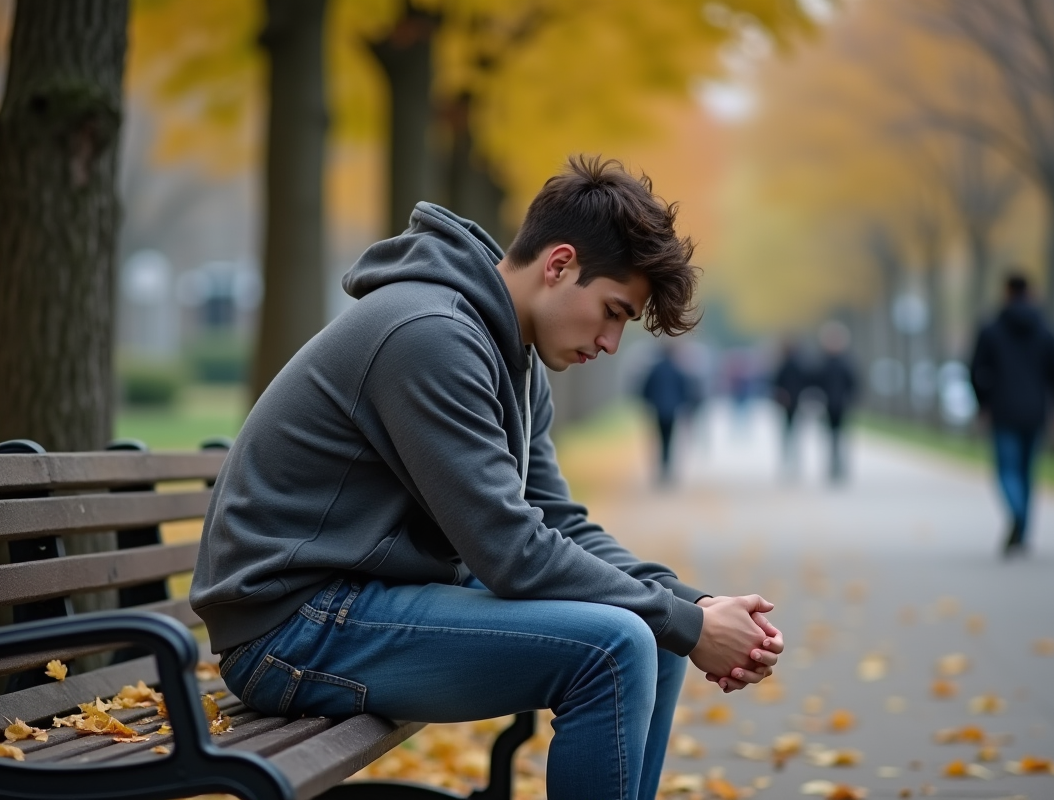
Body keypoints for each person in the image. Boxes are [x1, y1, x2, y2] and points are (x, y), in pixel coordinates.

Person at [191, 156, 784, 800]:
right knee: (616, 647)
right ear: (559, 265)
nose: (612, 341)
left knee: (655, 637)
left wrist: (690, 606)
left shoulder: (516, 359)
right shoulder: (430, 335)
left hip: (357, 602)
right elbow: (511, 553)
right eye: (612, 311)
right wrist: (688, 623)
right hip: (290, 629)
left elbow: (557, 523)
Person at [969, 272, 1054, 558]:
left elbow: (976, 371)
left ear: (1006, 292)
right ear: (1030, 292)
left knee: (1006, 471)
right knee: (1026, 473)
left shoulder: (990, 330)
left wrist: (983, 402)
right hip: (1036, 410)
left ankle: (1016, 514)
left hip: (1002, 410)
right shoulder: (1045, 331)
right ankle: (1023, 531)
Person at [639, 342, 699, 484]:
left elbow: (645, 388)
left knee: (660, 439)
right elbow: (684, 389)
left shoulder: (654, 369)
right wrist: (685, 405)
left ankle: (662, 467)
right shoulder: (677, 369)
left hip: (658, 409)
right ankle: (667, 468)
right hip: (672, 410)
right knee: (669, 440)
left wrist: (648, 402)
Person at [813, 321, 856, 482]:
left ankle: (840, 465)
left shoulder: (846, 361)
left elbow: (853, 383)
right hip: (827, 404)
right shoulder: (822, 361)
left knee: (841, 436)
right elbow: (815, 381)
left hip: (842, 405)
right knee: (829, 436)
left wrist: (850, 398)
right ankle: (832, 465)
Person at [770, 337, 807, 477]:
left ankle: (789, 459)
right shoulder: (796, 364)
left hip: (790, 401)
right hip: (793, 401)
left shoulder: (786, 364)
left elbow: (776, 382)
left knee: (789, 432)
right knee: (792, 431)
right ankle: (791, 460)